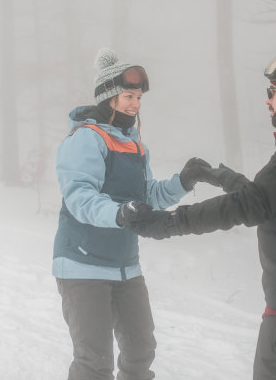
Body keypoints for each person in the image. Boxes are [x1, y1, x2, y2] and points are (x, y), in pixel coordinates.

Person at [119, 50, 276, 379]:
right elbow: (274, 199)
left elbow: (256, 203)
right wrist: (224, 178)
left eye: (272, 93)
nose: (267, 102)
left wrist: (164, 223)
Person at [52, 48, 214, 380]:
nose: (135, 104)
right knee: (94, 361)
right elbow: (80, 197)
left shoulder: (134, 144)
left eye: (138, 96)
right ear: (108, 97)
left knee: (141, 352)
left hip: (125, 265)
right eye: (128, 95)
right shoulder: (85, 138)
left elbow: (146, 195)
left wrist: (183, 182)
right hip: (83, 265)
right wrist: (121, 212)